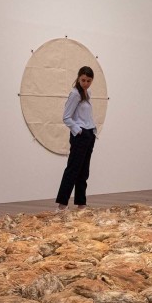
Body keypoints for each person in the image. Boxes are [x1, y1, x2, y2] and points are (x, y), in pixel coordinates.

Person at [55, 66, 97, 210]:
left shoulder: (88, 92)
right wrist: (78, 130)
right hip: (80, 136)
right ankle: (62, 205)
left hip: (89, 134)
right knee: (73, 169)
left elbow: (87, 115)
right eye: (83, 80)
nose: (85, 83)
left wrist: (92, 131)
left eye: (88, 81)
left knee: (84, 171)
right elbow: (66, 117)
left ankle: (81, 203)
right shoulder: (75, 94)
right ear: (78, 78)